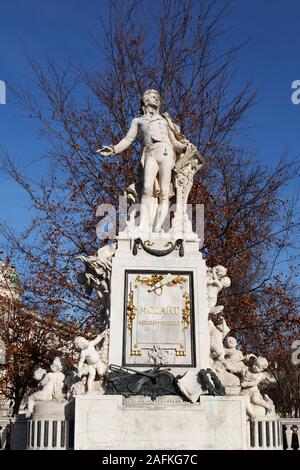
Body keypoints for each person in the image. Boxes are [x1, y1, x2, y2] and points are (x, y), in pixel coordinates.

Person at [97, 89, 194, 232]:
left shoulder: (165, 121)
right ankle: (143, 225)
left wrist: (185, 147)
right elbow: (128, 139)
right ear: (145, 100)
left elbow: (174, 142)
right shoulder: (138, 121)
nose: (155, 99)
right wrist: (114, 149)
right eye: (152, 97)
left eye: (157, 98)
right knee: (147, 189)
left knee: (165, 191)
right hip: (150, 153)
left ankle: (158, 227)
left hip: (167, 153)